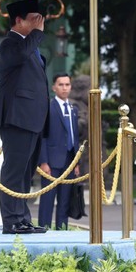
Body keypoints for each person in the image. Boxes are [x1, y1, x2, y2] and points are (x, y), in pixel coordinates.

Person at [0, 0, 49, 235]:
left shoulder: (31, 47)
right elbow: (19, 56)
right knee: (14, 172)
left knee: (26, 173)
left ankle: (23, 218)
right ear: (19, 20)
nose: (39, 24)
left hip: (33, 120)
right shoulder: (10, 44)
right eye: (34, 19)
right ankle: (12, 220)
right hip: (17, 119)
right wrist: (36, 34)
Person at [37, 73, 80, 230]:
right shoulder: (49, 108)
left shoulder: (73, 109)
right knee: (47, 199)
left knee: (65, 201)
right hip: (51, 161)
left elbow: (75, 137)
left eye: (67, 84)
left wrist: (76, 162)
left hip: (69, 161)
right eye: (61, 84)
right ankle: (44, 229)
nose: (64, 88)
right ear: (54, 87)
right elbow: (42, 136)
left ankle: (63, 230)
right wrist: (43, 161)